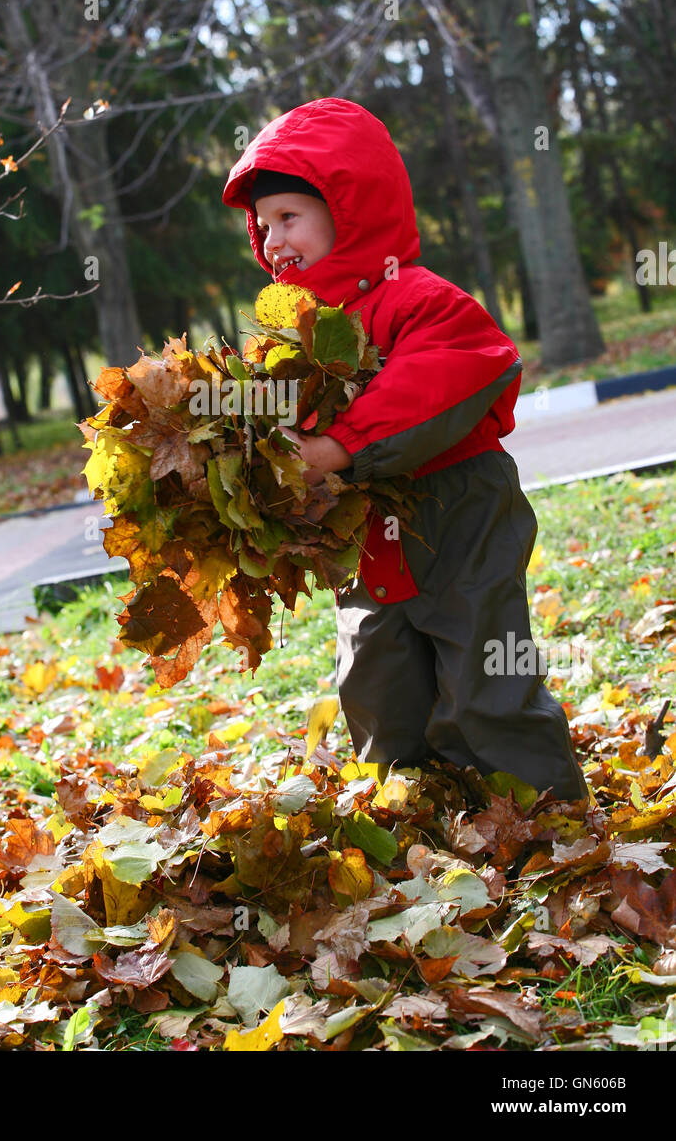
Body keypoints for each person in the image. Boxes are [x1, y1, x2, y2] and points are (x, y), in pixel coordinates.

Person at [222, 96, 588, 803]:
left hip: (460, 519)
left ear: (350, 209)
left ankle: (542, 814)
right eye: (262, 226)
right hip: (367, 536)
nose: (272, 241)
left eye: (289, 217)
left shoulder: (417, 299)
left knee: (485, 673)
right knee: (376, 680)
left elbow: (447, 373)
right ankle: (413, 808)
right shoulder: (293, 339)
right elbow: (271, 421)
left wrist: (338, 445)